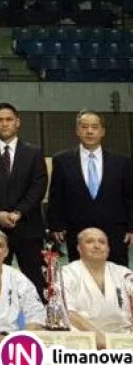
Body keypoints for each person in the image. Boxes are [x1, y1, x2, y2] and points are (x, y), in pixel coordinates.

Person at [0, 103, 48, 297]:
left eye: (8, 119)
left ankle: (39, 323)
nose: (4, 124)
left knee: (36, 281)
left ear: (17, 122)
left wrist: (18, 212)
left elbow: (38, 185)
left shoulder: (34, 153)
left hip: (28, 227)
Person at [48, 110, 133, 266]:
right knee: (81, 277)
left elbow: (129, 197)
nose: (89, 131)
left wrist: (131, 227)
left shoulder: (122, 162)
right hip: (77, 231)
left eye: (94, 127)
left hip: (115, 232)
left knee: (116, 279)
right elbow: (56, 195)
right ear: (77, 131)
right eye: (84, 126)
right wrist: (56, 225)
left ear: (102, 131)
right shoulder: (62, 160)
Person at [0, 228, 45, 365]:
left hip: (11, 345)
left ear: (7, 252)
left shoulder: (17, 277)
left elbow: (37, 312)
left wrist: (19, 340)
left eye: (0, 245)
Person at [62, 227, 133, 348]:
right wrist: (103, 341)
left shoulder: (122, 272)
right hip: (83, 341)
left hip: (122, 339)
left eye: (102, 242)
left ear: (108, 249)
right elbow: (68, 312)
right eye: (90, 241)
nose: (97, 246)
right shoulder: (67, 273)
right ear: (79, 248)